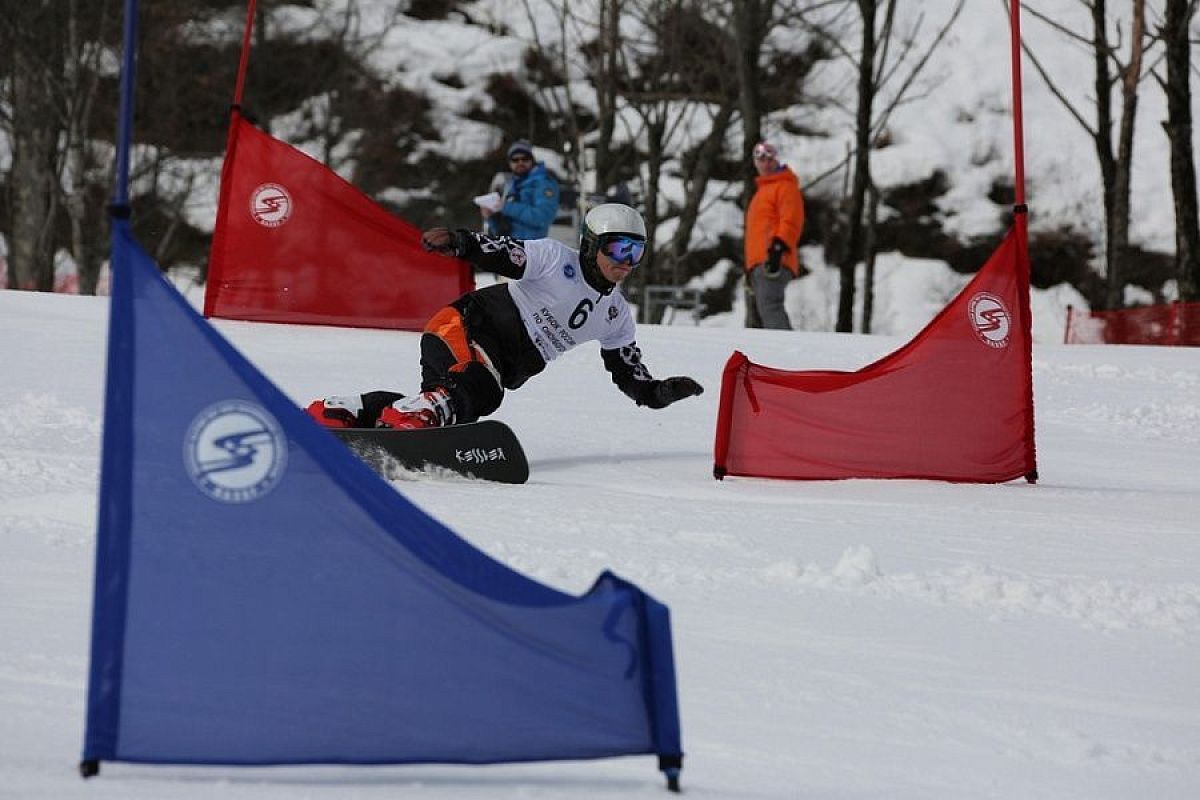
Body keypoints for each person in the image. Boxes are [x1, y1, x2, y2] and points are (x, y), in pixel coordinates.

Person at [306, 203, 703, 430]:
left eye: (636, 252)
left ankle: (346, 410)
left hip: (491, 361)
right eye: (618, 249)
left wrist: (657, 394)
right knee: (481, 388)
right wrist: (460, 242)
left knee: (455, 413)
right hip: (462, 327)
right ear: (590, 245)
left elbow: (628, 372)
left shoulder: (616, 315)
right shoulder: (553, 259)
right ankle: (415, 413)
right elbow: (501, 251)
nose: (626, 262)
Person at [744, 141, 806, 330]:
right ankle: (767, 351)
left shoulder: (784, 186)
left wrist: (779, 247)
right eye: (761, 159)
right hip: (758, 262)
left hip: (774, 258)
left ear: (776, 159)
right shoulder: (762, 192)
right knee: (761, 311)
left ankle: (784, 348)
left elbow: (792, 219)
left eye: (769, 158)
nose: (766, 163)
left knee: (770, 306)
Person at [481, 140, 560, 240]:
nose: (520, 162)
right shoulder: (510, 185)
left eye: (525, 158)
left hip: (531, 249)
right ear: (509, 163)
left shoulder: (544, 183)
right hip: (510, 248)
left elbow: (542, 218)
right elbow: (501, 231)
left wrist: (505, 207)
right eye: (515, 159)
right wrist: (491, 217)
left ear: (532, 160)